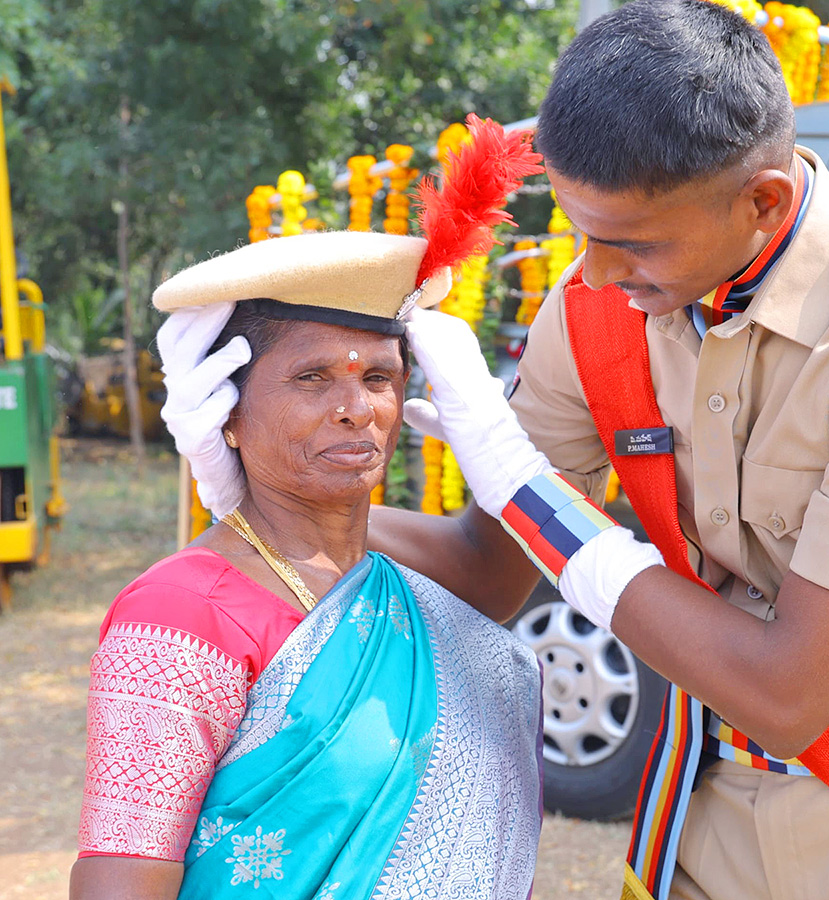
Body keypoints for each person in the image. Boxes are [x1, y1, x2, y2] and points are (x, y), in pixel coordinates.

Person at [160, 6, 829, 899]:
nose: (591, 275)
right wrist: (264, 499)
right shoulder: (604, 301)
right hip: (694, 821)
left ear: (764, 203)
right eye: (579, 232)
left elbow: (788, 698)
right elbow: (488, 570)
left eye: (627, 243)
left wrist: (524, 487)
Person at [71, 117, 545, 900]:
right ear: (225, 409)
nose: (357, 408)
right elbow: (120, 883)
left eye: (381, 379)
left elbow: (501, 567)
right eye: (312, 378)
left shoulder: (403, 588)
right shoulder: (180, 613)